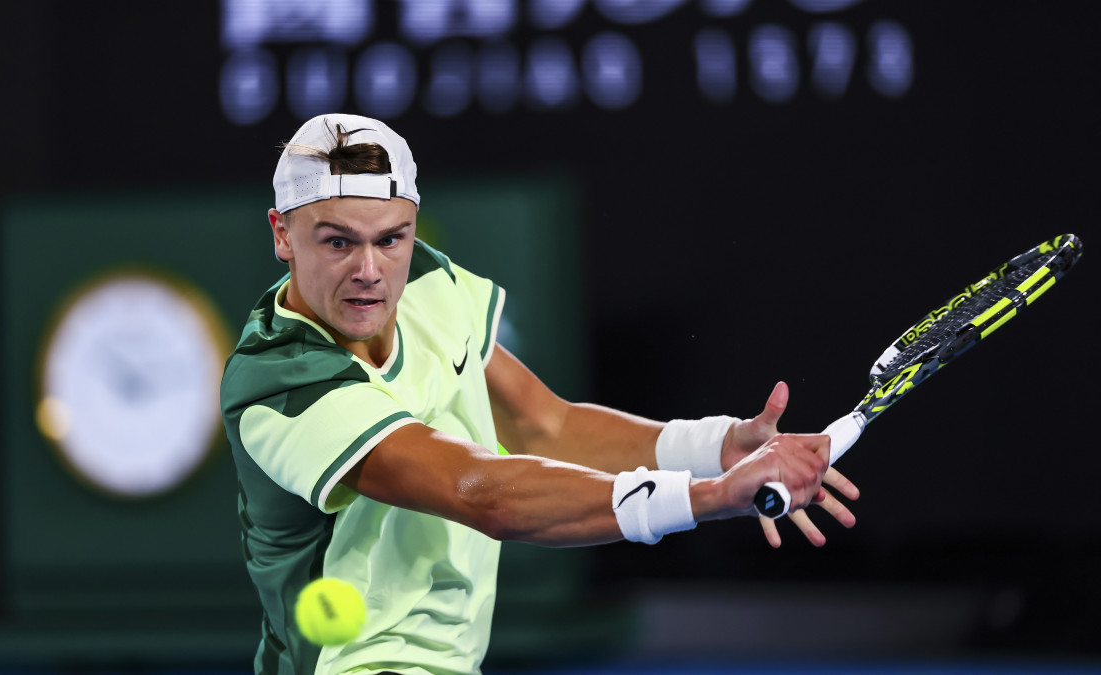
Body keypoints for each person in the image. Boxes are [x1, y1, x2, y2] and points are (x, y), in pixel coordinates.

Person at [219, 113, 859, 675]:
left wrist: (716, 447)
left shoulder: (429, 286)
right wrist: (708, 498)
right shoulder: (278, 378)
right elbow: (482, 492)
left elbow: (546, 427)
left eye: (391, 238)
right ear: (282, 234)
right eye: (338, 242)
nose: (370, 270)